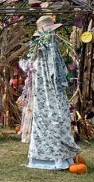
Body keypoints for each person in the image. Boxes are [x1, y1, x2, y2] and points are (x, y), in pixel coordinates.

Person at [23, 15, 80, 169]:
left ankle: (58, 157)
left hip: (49, 89)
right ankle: (54, 158)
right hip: (47, 88)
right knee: (52, 117)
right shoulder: (44, 44)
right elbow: (49, 69)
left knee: (54, 117)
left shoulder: (47, 44)